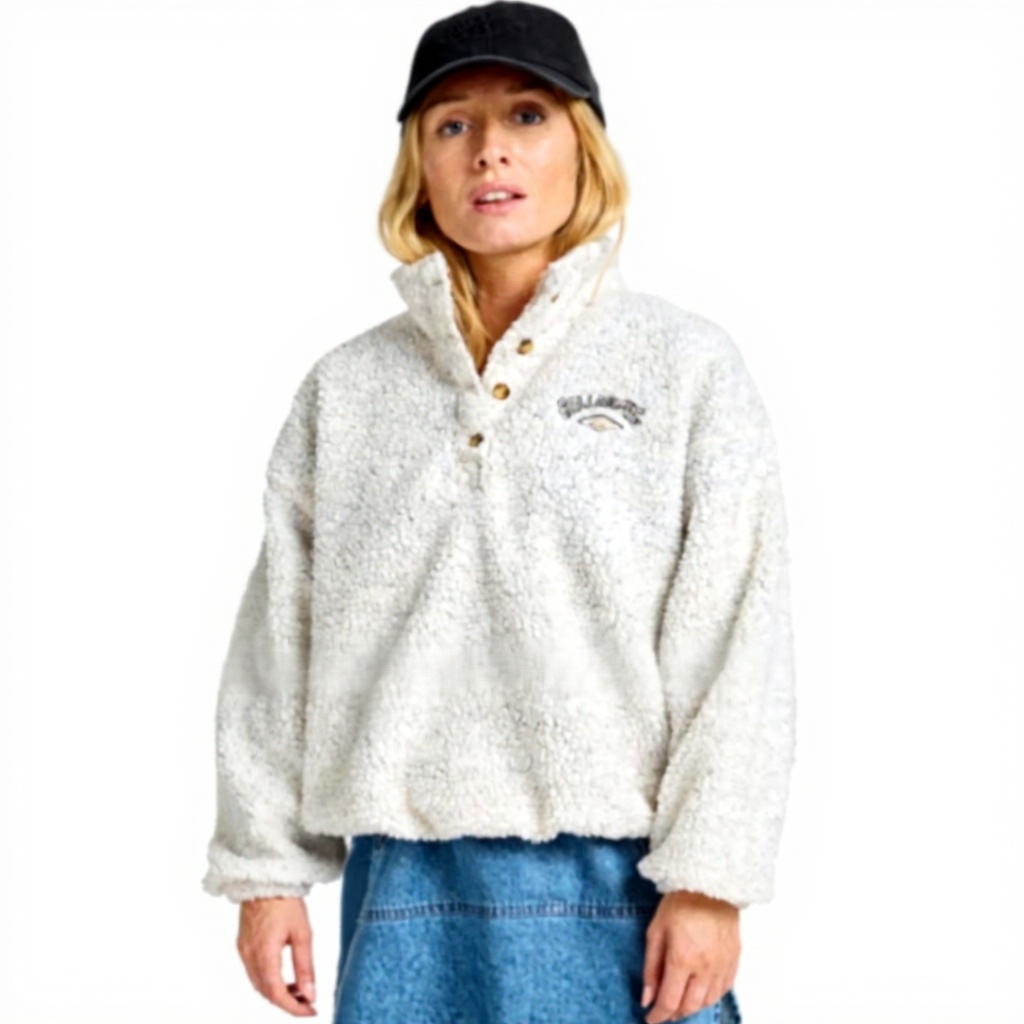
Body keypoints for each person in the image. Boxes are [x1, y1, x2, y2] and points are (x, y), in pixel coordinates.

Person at [201, 3, 795, 1023]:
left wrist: (710, 880)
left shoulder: (685, 369)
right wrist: (264, 871)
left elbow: (738, 639)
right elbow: (277, 643)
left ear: (583, 147)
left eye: (527, 115)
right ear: (419, 165)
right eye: (452, 124)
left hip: (626, 887)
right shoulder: (347, 391)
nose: (489, 151)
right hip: (403, 889)